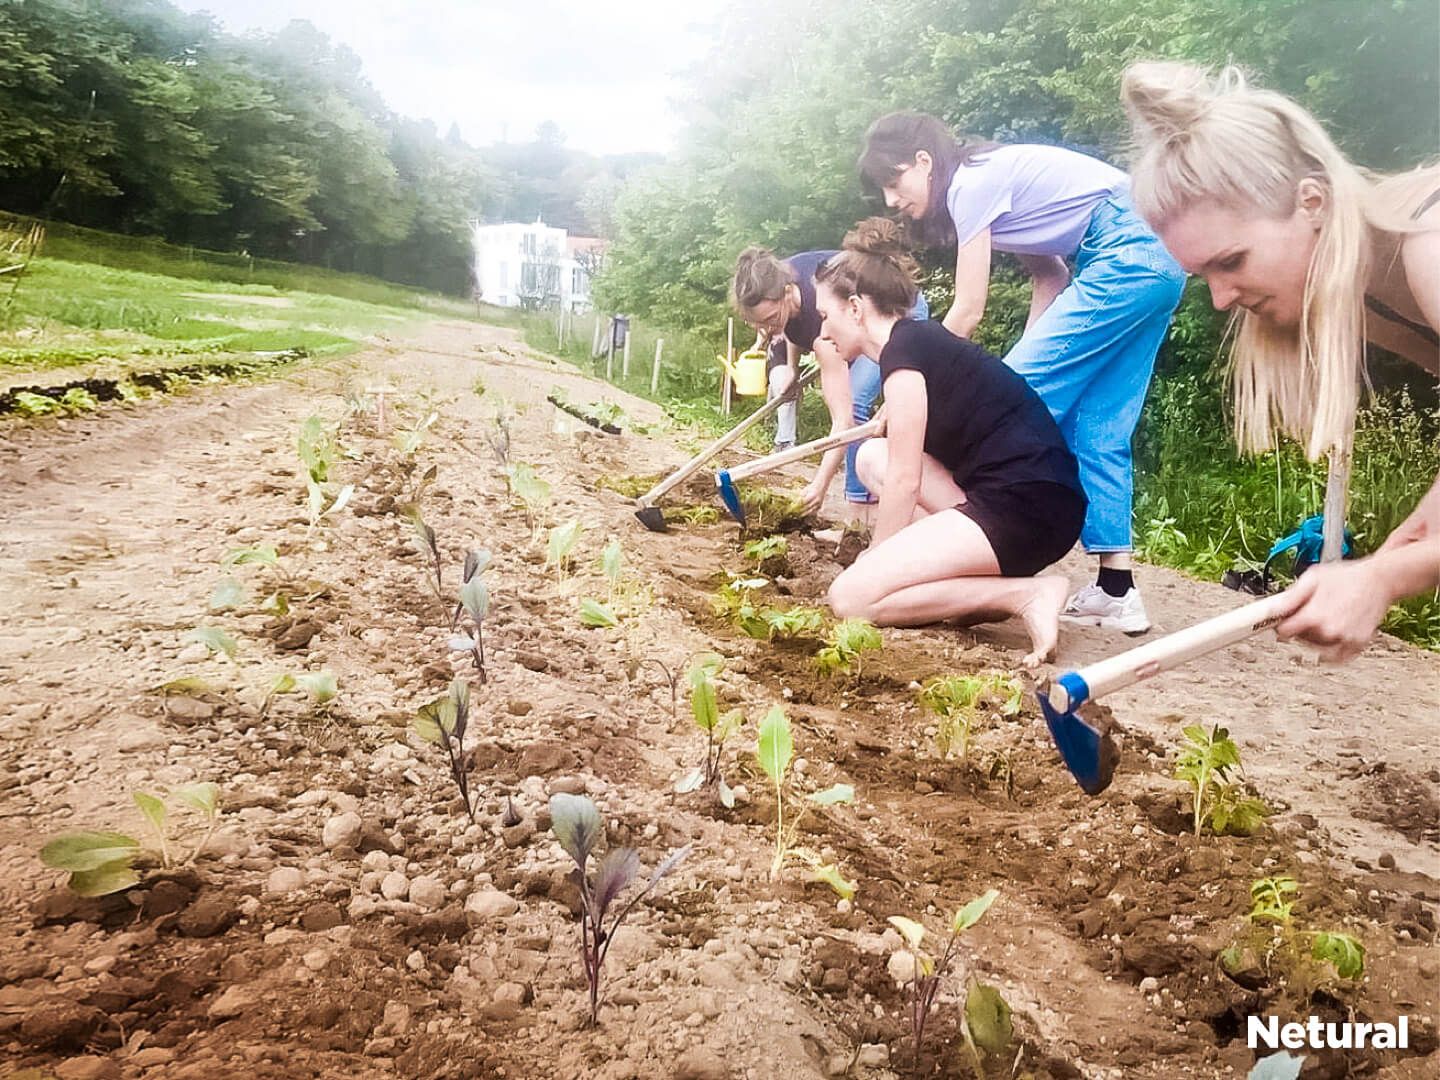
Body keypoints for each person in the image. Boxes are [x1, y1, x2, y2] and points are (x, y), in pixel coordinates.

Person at [1121, 61, 1440, 663]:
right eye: (1203, 276)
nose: (1219, 298)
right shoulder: (1363, 287)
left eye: (1232, 261)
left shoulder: (1428, 247)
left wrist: (1386, 578)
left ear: (1310, 201)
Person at [859, 113, 1187, 634]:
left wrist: (903, 396)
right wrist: (1025, 358)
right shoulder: (991, 180)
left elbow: (966, 310)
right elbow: (1050, 274)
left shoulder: (970, 184)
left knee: (1005, 404)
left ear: (923, 162)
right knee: (1101, 429)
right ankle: (1115, 589)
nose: (891, 201)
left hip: (1124, 253)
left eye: (893, 182)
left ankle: (969, 532)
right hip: (1161, 259)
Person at [820, 218, 1088, 667]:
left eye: (826, 317)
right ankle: (961, 580)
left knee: (851, 599)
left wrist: (873, 563)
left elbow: (906, 482)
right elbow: (901, 465)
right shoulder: (915, 344)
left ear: (854, 308)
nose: (824, 334)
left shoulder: (903, 357)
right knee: (871, 456)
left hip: (1025, 508)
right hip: (1035, 497)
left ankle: (1027, 593)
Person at [732, 247, 928, 515]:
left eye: (769, 319)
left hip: (900, 307)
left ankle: (857, 516)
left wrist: (819, 485)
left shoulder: (819, 318)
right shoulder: (773, 278)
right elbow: (791, 327)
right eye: (757, 324)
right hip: (856, 317)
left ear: (787, 292)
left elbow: (843, 418)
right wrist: (792, 368)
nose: (765, 329)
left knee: (857, 401)